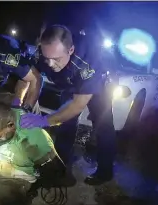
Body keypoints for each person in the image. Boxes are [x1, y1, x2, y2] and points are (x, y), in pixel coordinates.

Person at [20, 25, 116, 185]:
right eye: (46, 58)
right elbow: (31, 77)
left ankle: (105, 172)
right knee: (65, 126)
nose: (50, 64)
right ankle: (61, 170)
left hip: (98, 86)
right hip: (69, 85)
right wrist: (24, 104)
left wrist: (45, 121)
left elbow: (78, 104)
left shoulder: (86, 64)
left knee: (103, 128)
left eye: (56, 59)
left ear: (70, 50)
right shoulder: (42, 54)